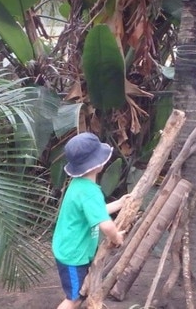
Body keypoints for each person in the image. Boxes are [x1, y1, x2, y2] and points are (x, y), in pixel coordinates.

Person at [52, 132, 129, 309]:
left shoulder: (79, 185)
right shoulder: (90, 192)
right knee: (74, 298)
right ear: (98, 164)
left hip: (72, 249)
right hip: (73, 255)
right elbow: (106, 224)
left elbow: (95, 213)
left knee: (81, 291)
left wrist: (119, 203)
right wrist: (116, 237)